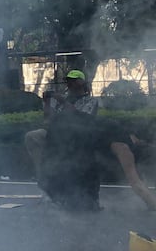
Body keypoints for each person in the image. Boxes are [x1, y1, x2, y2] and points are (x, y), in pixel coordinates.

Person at [26, 70, 156, 210]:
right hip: (80, 137)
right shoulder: (114, 139)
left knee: (133, 178)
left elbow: (135, 181)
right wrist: (48, 102)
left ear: (82, 82)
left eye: (74, 81)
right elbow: (51, 120)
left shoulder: (119, 143)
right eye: (69, 81)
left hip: (87, 138)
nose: (70, 84)